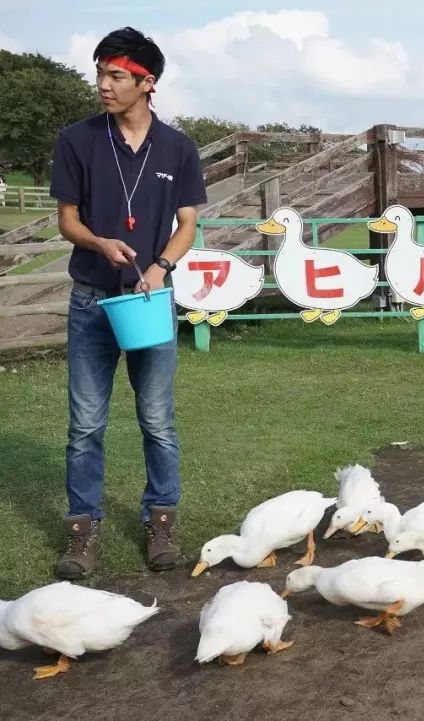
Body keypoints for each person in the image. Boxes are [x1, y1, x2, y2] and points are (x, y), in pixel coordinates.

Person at [48, 27, 207, 578]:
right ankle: (81, 531)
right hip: (92, 302)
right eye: (101, 74)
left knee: (157, 421)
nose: (104, 85)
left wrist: (160, 268)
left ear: (147, 82)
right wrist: (97, 242)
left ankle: (161, 519)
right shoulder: (78, 139)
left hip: (149, 303)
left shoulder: (179, 148)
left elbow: (188, 223)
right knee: (86, 425)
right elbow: (67, 218)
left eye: (116, 75)